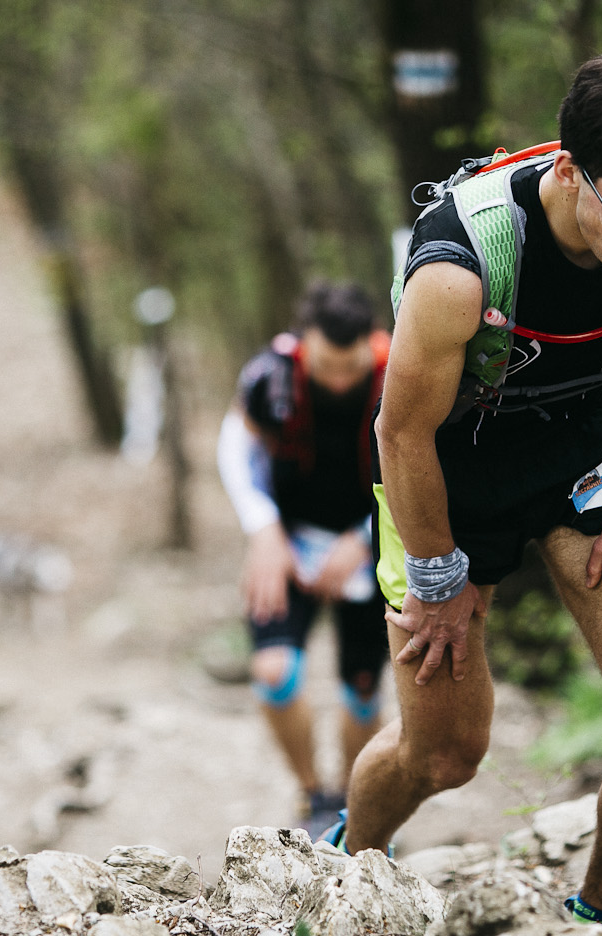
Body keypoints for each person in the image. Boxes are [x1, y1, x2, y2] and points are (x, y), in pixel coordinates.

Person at [323, 45, 602, 936]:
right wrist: (439, 578)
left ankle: (596, 918)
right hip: (450, 475)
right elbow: (401, 433)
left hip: (589, 446)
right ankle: (340, 879)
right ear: (569, 170)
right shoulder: (460, 263)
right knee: (444, 756)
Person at [217, 281, 393, 839]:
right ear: (303, 345)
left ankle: (354, 804)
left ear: (370, 344)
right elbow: (235, 446)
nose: (338, 380)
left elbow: (430, 463)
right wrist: (262, 528)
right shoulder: (268, 376)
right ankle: (312, 794)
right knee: (274, 672)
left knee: (361, 690)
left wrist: (364, 538)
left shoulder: (399, 373)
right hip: (287, 540)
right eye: (325, 366)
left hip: (373, 540)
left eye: (350, 366)